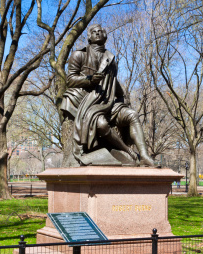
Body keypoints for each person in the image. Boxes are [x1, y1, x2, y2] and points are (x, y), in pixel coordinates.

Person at [61, 24, 155, 166]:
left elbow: (112, 82)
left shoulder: (110, 59)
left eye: (101, 31)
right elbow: (70, 80)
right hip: (87, 101)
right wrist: (89, 79)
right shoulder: (79, 55)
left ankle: (144, 156)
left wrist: (121, 98)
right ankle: (127, 151)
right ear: (89, 37)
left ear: (105, 36)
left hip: (107, 101)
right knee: (102, 124)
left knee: (132, 115)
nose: (98, 33)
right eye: (94, 32)